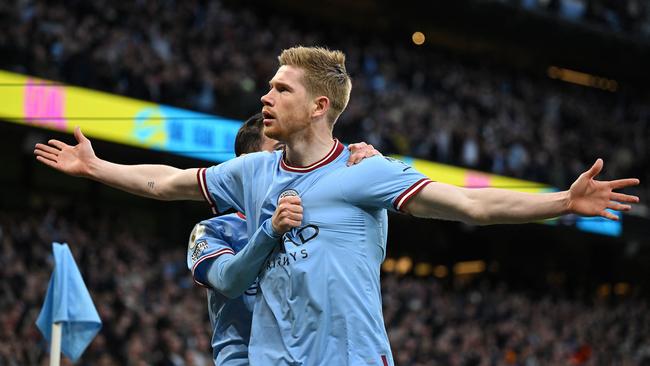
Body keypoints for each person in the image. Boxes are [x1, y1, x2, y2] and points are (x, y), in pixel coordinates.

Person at [34, 46, 640, 366]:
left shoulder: (366, 173)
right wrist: (96, 166)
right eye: (269, 85)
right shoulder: (253, 172)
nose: (265, 95)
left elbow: (470, 207)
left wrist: (563, 199)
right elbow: (165, 184)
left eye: (281, 88)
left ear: (321, 105)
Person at [187, 113, 379, 365]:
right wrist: (270, 231)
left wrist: (368, 170)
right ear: (247, 165)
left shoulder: (314, 222)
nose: (292, 158)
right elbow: (228, 280)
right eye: (280, 150)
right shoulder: (215, 231)